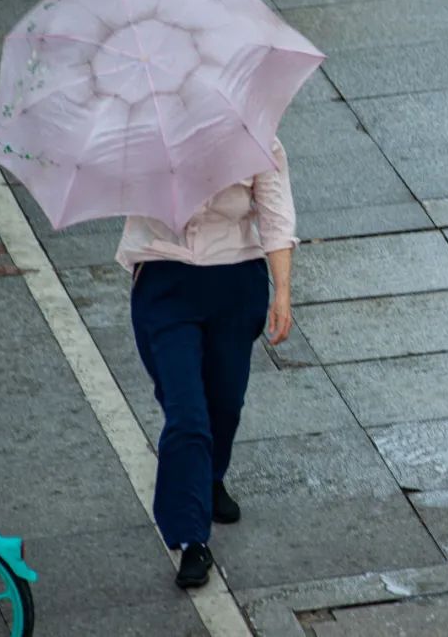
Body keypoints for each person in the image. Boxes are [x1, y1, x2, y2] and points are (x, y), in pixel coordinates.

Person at [115, 136, 299, 589]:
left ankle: (210, 477)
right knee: (187, 414)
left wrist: (283, 291)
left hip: (236, 283)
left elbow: (276, 216)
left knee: (224, 403)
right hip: (165, 282)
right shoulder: (137, 136)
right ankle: (190, 537)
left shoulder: (258, 135)